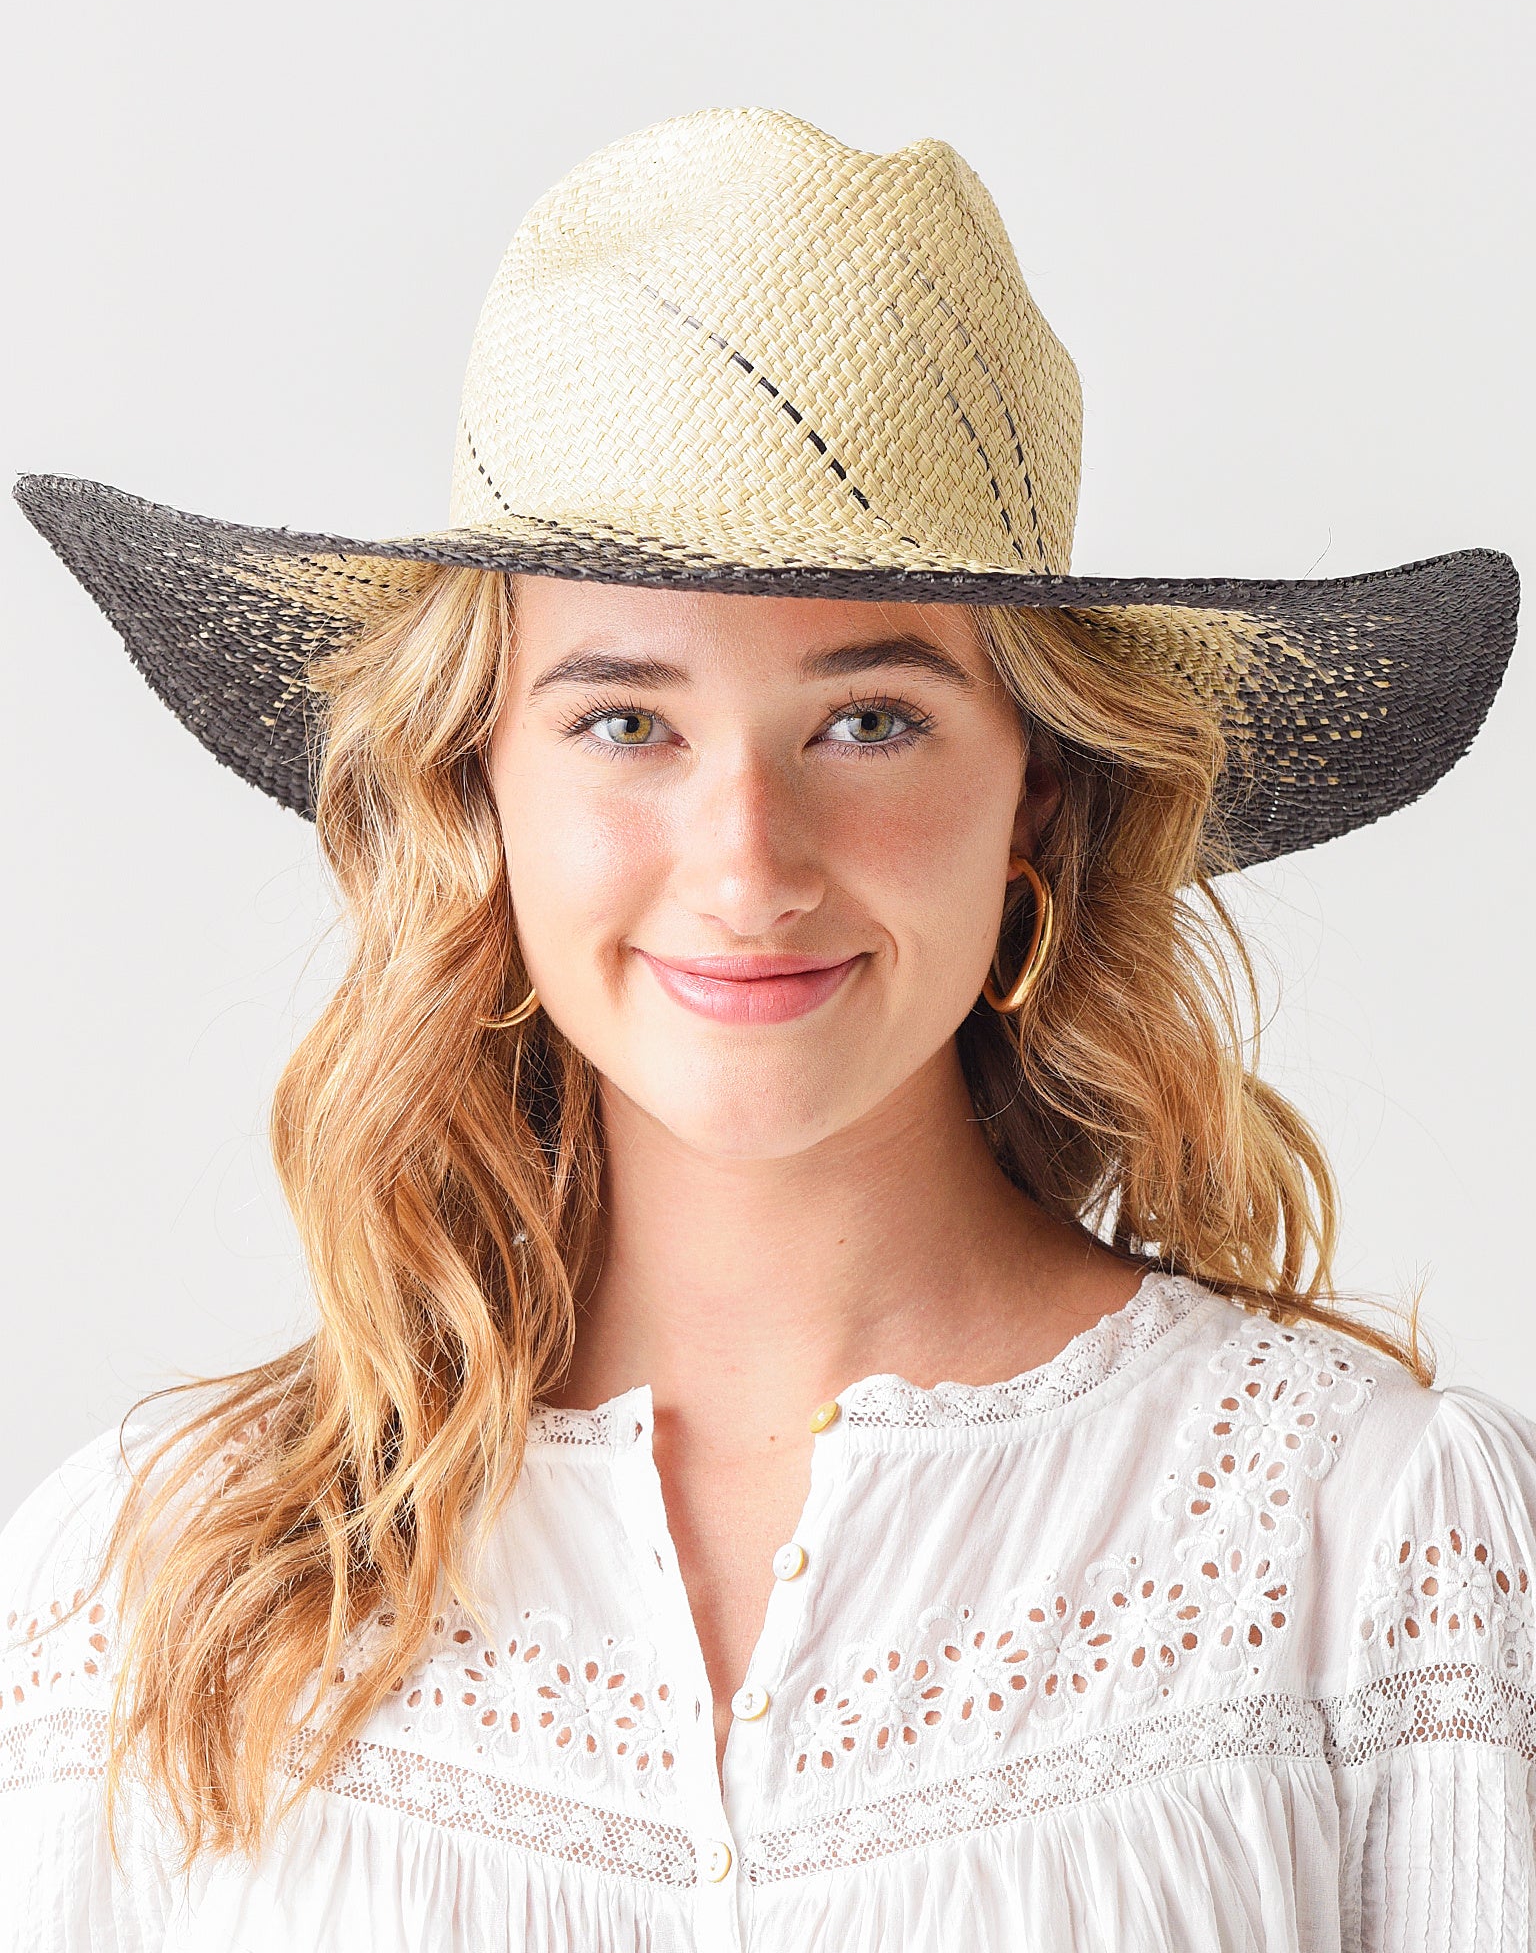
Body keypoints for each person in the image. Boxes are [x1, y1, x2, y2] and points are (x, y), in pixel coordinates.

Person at [2, 106, 1528, 1952]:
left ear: (1036, 792)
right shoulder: (151, 1591)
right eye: (623, 722)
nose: (747, 868)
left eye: (869, 721)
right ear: (475, 788)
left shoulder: (1363, 1544)